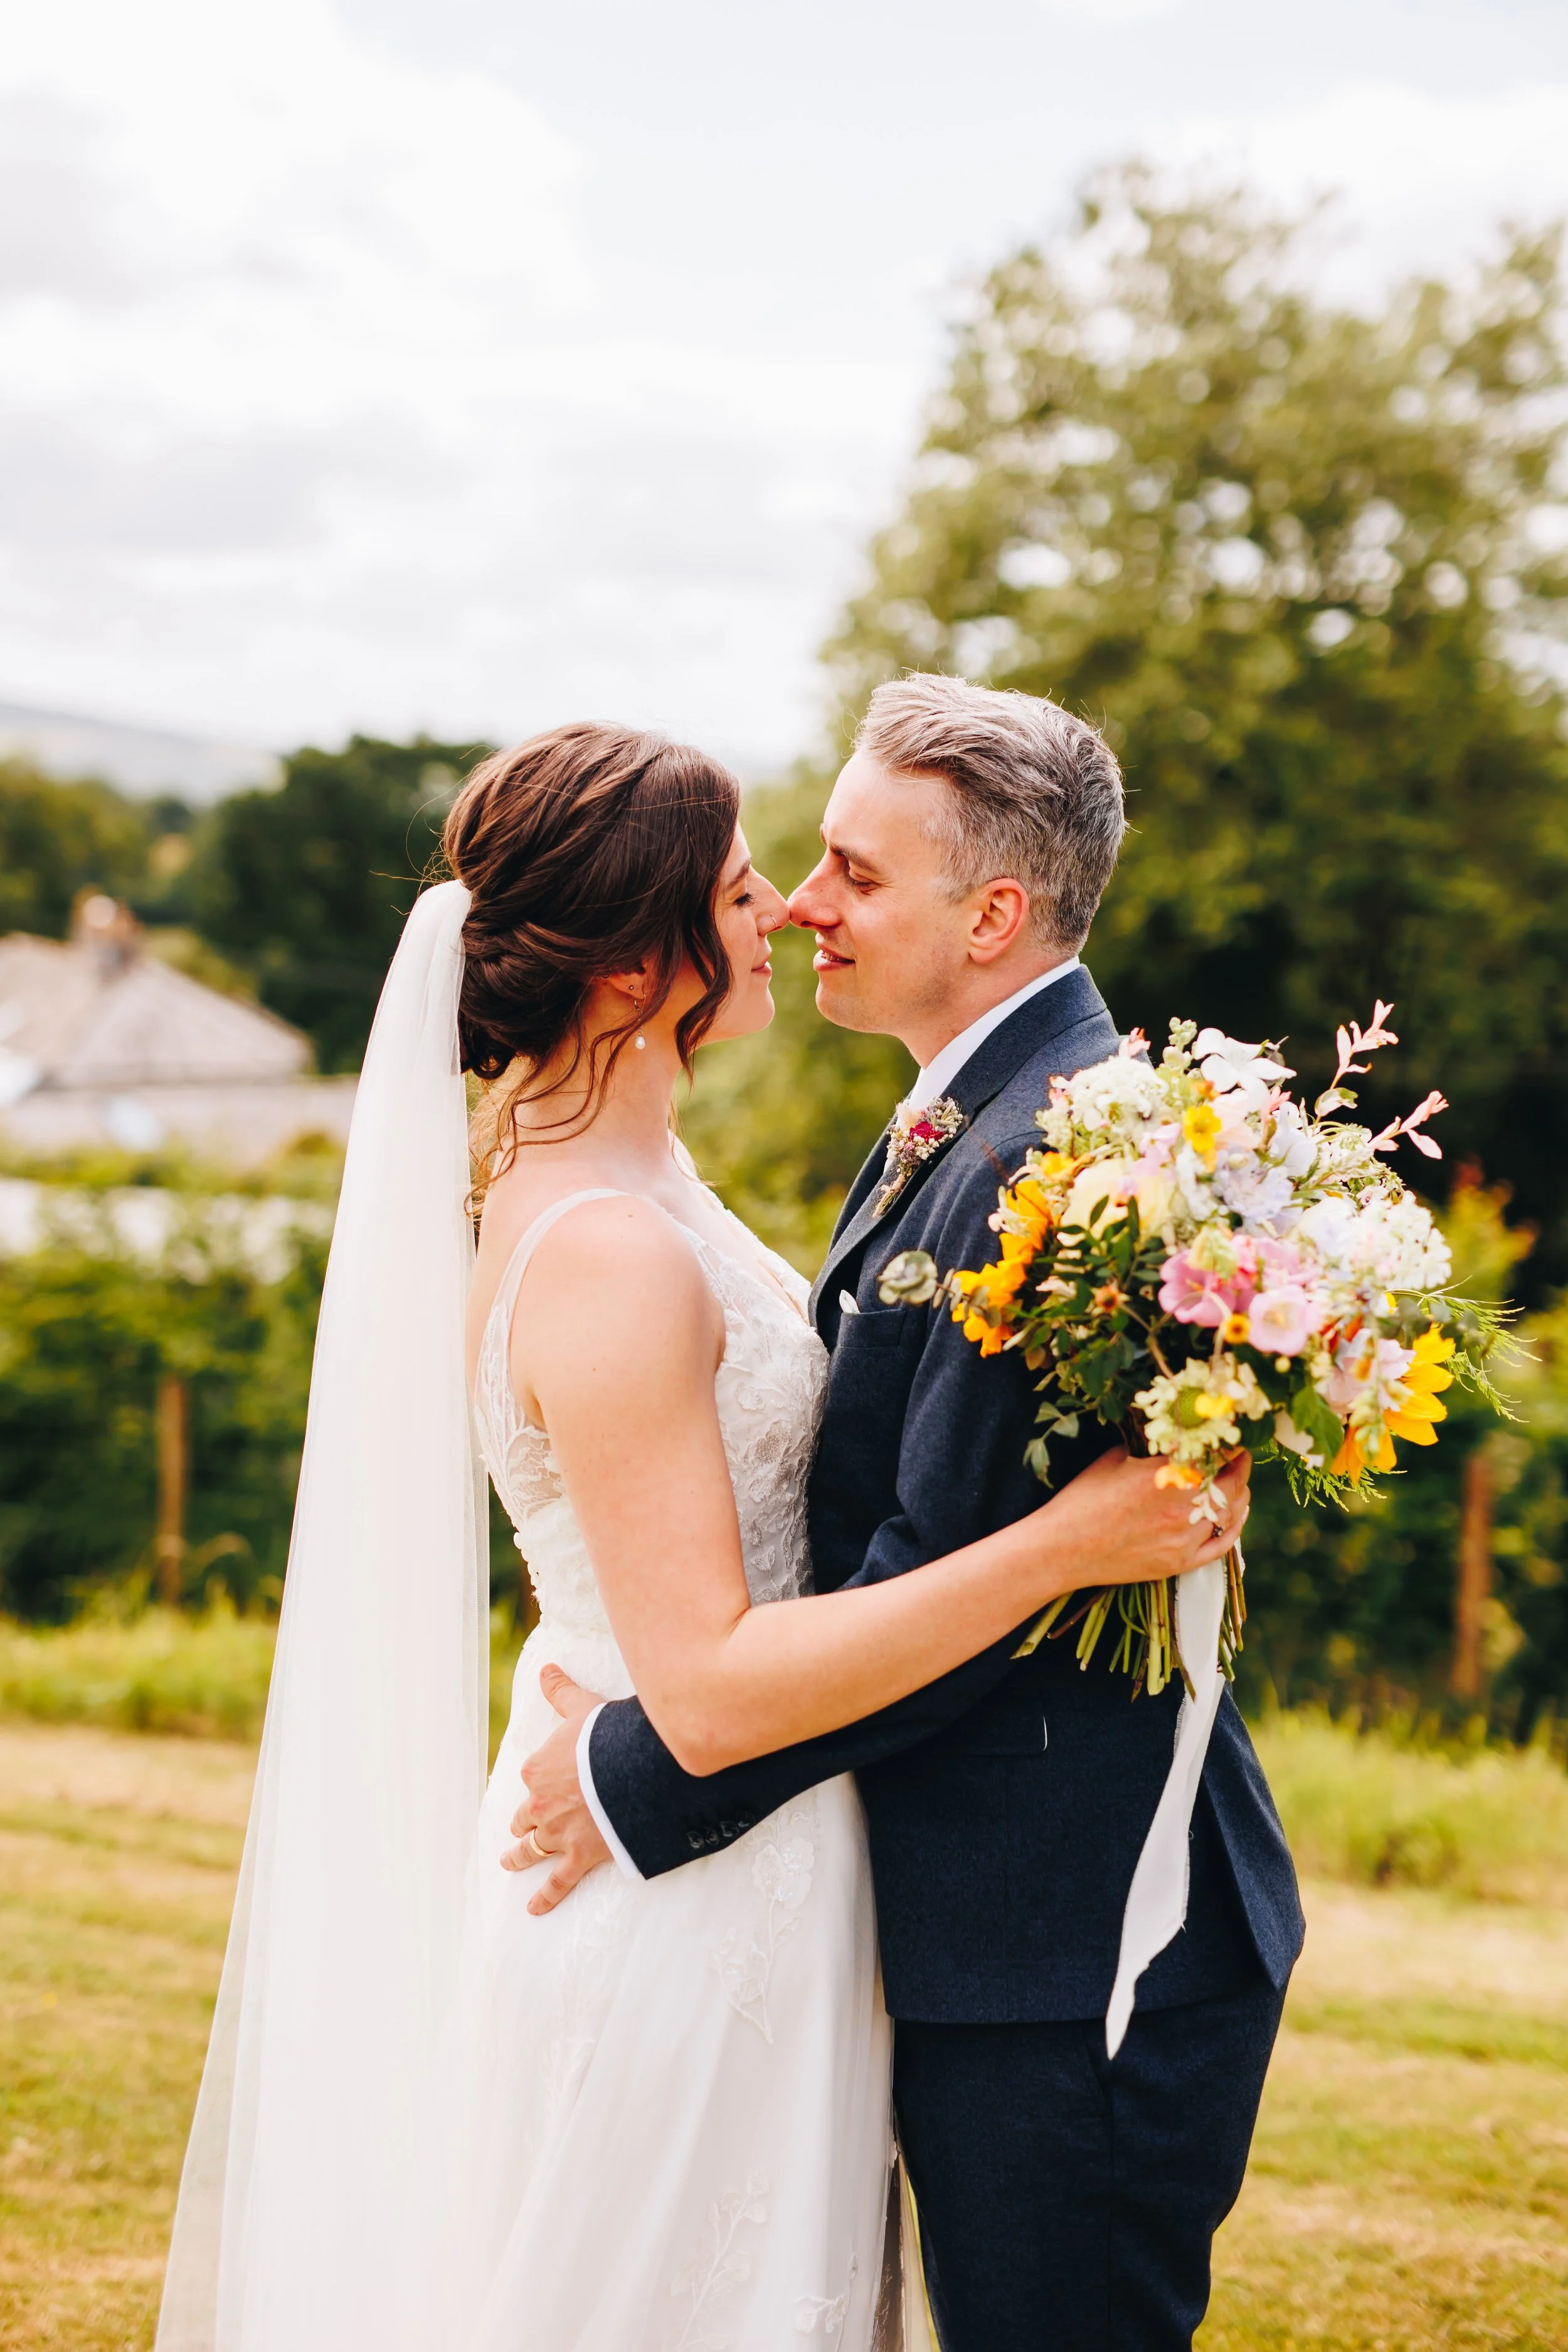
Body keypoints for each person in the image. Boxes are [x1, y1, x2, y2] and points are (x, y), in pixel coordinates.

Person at [156, 714, 1245, 2352]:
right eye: (748, 886)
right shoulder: (605, 1246)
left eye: (827, 873)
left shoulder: (628, 1163)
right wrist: (1075, 1538)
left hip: (738, 1840)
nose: (791, 908)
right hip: (675, 1875)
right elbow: (717, 1669)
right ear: (627, 971)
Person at [517, 677, 1306, 2352]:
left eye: (852, 872)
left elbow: (947, 1589)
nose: (805, 904)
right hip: (996, 1928)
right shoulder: (977, 1115)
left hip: (1077, 1945)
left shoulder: (1053, 1159)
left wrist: (641, 1764)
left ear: (992, 911)